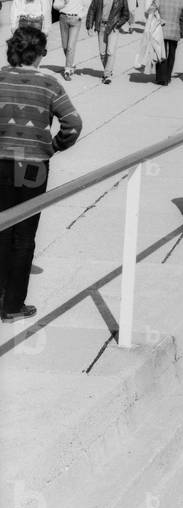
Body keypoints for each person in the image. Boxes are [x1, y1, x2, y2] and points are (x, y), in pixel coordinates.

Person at [0, 27, 82, 323]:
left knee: (1, 227)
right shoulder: (49, 84)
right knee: (24, 235)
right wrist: (54, 146)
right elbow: (73, 124)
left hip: (1, 164)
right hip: (33, 167)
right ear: (39, 54)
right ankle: (12, 305)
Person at [85, 0, 131, 84]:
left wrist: (118, 24)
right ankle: (108, 70)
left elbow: (126, 14)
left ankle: (107, 74)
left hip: (113, 27)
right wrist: (89, 26)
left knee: (110, 51)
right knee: (102, 52)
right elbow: (92, 10)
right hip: (101, 26)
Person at [52, 0, 91, 80]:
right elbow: (55, 6)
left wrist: (80, 16)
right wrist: (64, 3)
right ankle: (71, 63)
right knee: (65, 46)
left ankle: (67, 70)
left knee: (70, 46)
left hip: (75, 20)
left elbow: (87, 7)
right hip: (63, 18)